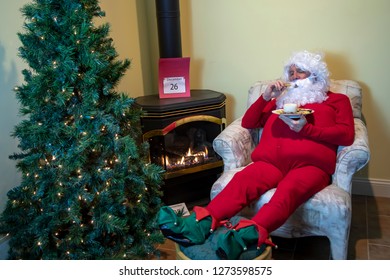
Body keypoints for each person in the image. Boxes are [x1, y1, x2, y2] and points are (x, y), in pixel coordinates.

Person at [157, 50, 355, 259]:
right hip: (270, 162)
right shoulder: (280, 99)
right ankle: (197, 226)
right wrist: (265, 97)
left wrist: (307, 130)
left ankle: (244, 238)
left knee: (288, 191)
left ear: (316, 75)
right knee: (242, 182)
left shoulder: (337, 101)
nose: (294, 76)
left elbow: (347, 135)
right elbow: (249, 122)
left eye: (301, 72)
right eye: (291, 71)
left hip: (311, 166)